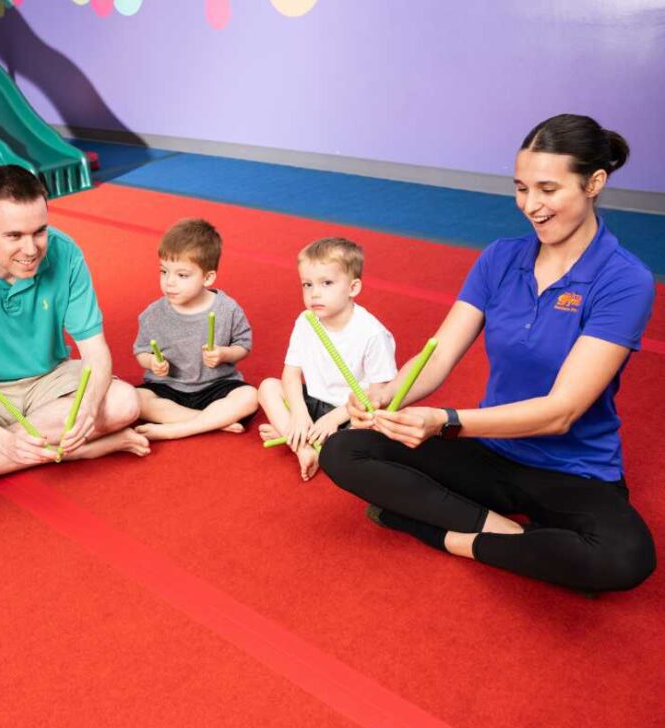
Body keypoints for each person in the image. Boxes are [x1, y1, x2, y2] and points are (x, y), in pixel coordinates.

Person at [321, 114, 656, 592]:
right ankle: (514, 538)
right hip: (490, 450)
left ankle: (448, 534)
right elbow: (436, 358)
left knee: (625, 558)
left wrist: (446, 422)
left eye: (547, 189)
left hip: (572, 468)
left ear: (594, 183)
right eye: (521, 188)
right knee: (346, 448)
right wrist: (384, 394)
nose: (530, 206)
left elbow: (561, 413)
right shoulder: (500, 257)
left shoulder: (625, 280)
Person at [0, 164, 149, 479]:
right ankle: (77, 449)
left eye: (39, 231)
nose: (31, 249)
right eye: (14, 236)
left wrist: (86, 408)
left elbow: (95, 353)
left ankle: (18, 456)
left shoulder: (66, 253)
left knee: (123, 402)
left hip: (49, 380)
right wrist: (2, 440)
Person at [258, 237, 396, 481]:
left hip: (350, 412)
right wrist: (299, 413)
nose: (315, 294)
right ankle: (303, 446)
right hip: (313, 403)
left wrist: (335, 418)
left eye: (327, 283)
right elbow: (290, 374)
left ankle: (293, 433)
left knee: (374, 430)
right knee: (268, 387)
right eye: (307, 285)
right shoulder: (305, 321)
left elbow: (378, 395)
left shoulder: (373, 333)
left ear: (353, 288)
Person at [132, 218, 257, 440]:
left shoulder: (227, 309)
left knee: (250, 396)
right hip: (168, 388)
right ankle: (211, 421)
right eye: (164, 272)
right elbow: (141, 351)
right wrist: (152, 362)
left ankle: (178, 428)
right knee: (135, 399)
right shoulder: (152, 313)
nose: (169, 282)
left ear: (207, 278)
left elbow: (243, 345)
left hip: (217, 386)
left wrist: (225, 354)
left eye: (182, 275)